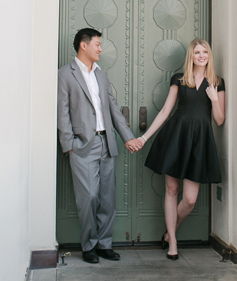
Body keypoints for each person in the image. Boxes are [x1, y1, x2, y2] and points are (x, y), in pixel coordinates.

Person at [57, 28, 144, 264]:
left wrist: (127, 137)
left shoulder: (101, 75)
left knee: (107, 198)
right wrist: (69, 145)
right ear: (83, 45)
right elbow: (62, 113)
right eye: (97, 44)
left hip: (107, 143)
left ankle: (105, 244)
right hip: (82, 146)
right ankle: (89, 246)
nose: (100, 48)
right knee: (89, 197)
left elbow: (113, 109)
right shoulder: (65, 74)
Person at [141, 38, 225, 260]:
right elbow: (165, 112)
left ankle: (170, 233)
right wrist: (145, 137)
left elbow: (219, 120)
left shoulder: (217, 81)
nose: (201, 56)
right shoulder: (179, 79)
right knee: (171, 190)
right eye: (197, 52)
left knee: (189, 199)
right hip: (176, 137)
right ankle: (173, 242)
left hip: (200, 141)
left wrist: (215, 100)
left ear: (209, 55)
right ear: (191, 55)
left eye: (205, 52)